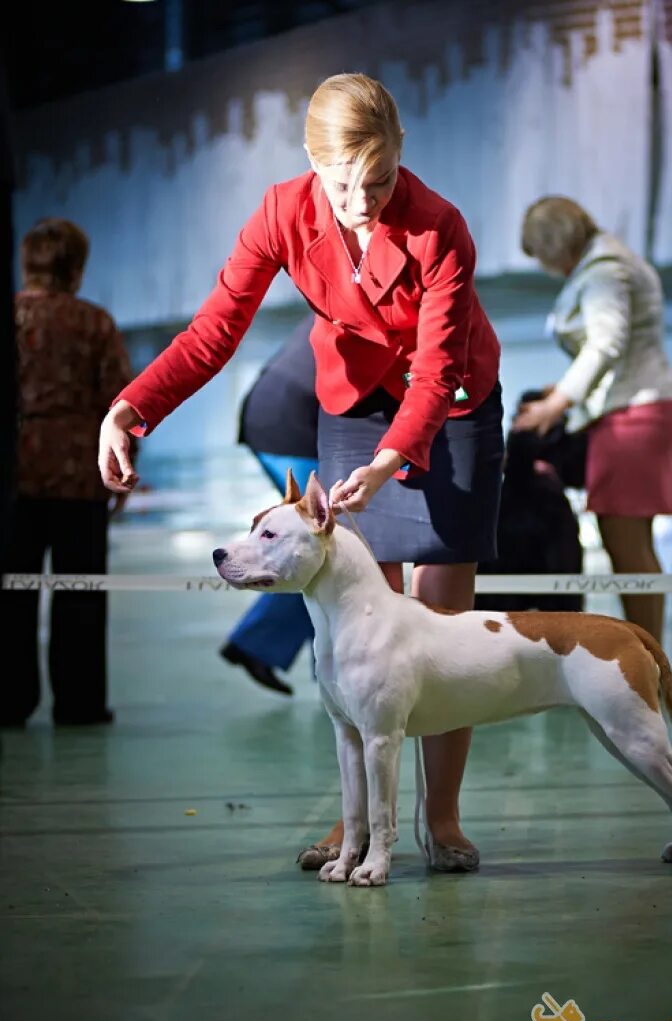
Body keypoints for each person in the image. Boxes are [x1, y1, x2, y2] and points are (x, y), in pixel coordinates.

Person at [98, 73, 504, 872]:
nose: (363, 201)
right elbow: (214, 332)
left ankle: (444, 820)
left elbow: (431, 375)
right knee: (358, 637)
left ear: (400, 158)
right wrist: (130, 409)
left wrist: (394, 461)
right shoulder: (281, 213)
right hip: (352, 405)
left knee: (442, 631)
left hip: (451, 406)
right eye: (344, 182)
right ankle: (355, 825)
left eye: (380, 178)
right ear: (312, 164)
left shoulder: (440, 227)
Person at [516, 196, 672, 644]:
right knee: (630, 543)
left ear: (554, 244)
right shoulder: (611, 263)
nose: (543, 265)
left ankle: (647, 655)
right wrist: (565, 389)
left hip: (633, 415)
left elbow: (606, 345)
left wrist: (559, 404)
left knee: (626, 543)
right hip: (636, 408)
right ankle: (648, 649)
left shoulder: (605, 272)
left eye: (540, 252)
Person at [1, 218, 133, 727]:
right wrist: (124, 469)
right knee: (81, 592)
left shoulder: (8, 318)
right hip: (83, 472)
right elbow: (120, 399)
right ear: (76, 269)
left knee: (10, 593)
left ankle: (9, 700)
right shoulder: (94, 322)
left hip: (15, 473)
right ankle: (80, 704)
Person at [220, 314, 318, 695]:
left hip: (274, 412)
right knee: (324, 541)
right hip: (289, 423)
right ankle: (255, 643)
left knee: (325, 541)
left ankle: (263, 645)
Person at [475, 388, 585, 614]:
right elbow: (578, 475)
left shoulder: (518, 437)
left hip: (513, 518)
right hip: (535, 520)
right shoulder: (559, 440)